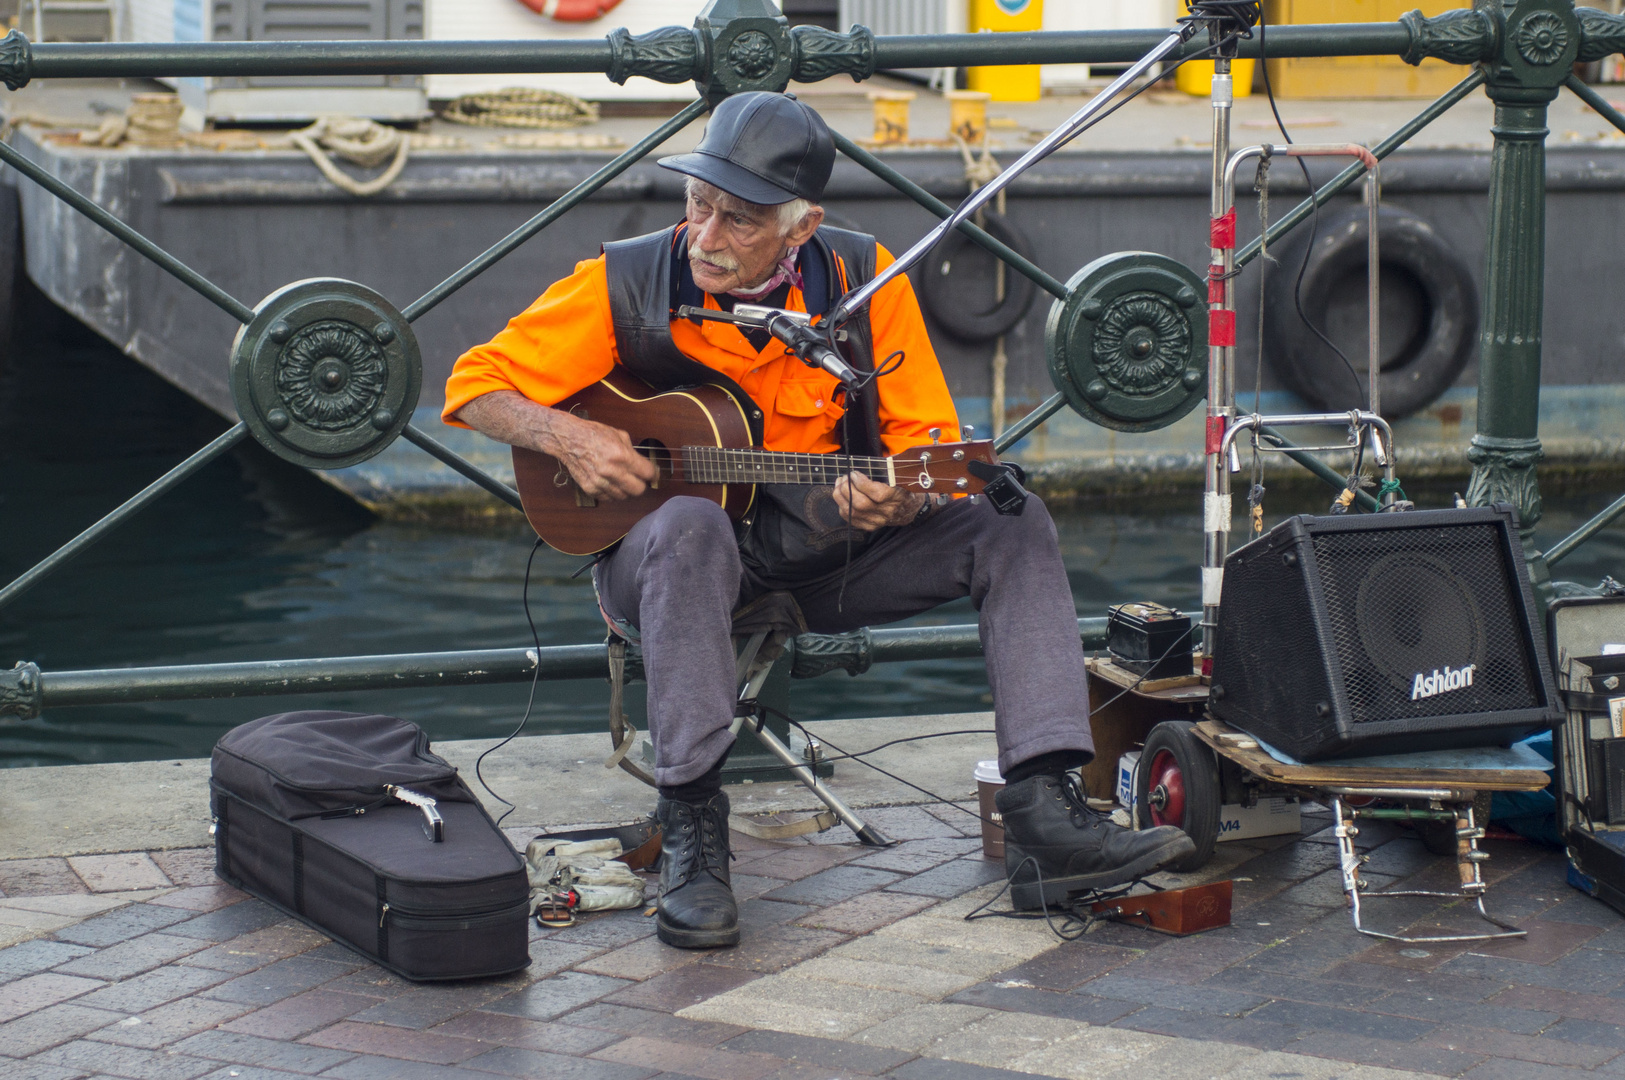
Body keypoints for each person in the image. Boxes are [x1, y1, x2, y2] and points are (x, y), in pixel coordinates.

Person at [444, 92, 1194, 949]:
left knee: (1008, 522)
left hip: (820, 553)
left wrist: (901, 496)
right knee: (691, 526)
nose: (707, 236)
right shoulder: (624, 282)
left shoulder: (862, 278)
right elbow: (471, 386)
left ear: (800, 229)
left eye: (740, 219)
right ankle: (691, 826)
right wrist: (564, 433)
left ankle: (1044, 808)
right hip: (665, 563)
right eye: (699, 204)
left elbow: (930, 447)